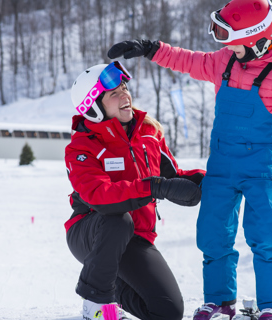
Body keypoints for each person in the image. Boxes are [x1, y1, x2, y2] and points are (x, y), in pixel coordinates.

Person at [107, 0, 272, 319]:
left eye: (231, 40)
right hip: (221, 167)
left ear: (255, 39)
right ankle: (221, 301)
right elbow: (188, 60)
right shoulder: (225, 62)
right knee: (212, 233)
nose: (227, 48)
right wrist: (151, 48)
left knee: (265, 235)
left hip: (257, 169)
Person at [64, 61, 206, 320]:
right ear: (93, 107)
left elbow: (173, 175)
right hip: (91, 232)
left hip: (137, 237)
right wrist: (155, 187)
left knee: (168, 312)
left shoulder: (149, 132)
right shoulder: (81, 147)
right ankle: (96, 305)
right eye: (114, 93)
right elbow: (100, 196)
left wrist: (214, 181)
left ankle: (113, 288)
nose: (125, 95)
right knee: (118, 220)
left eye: (124, 87)